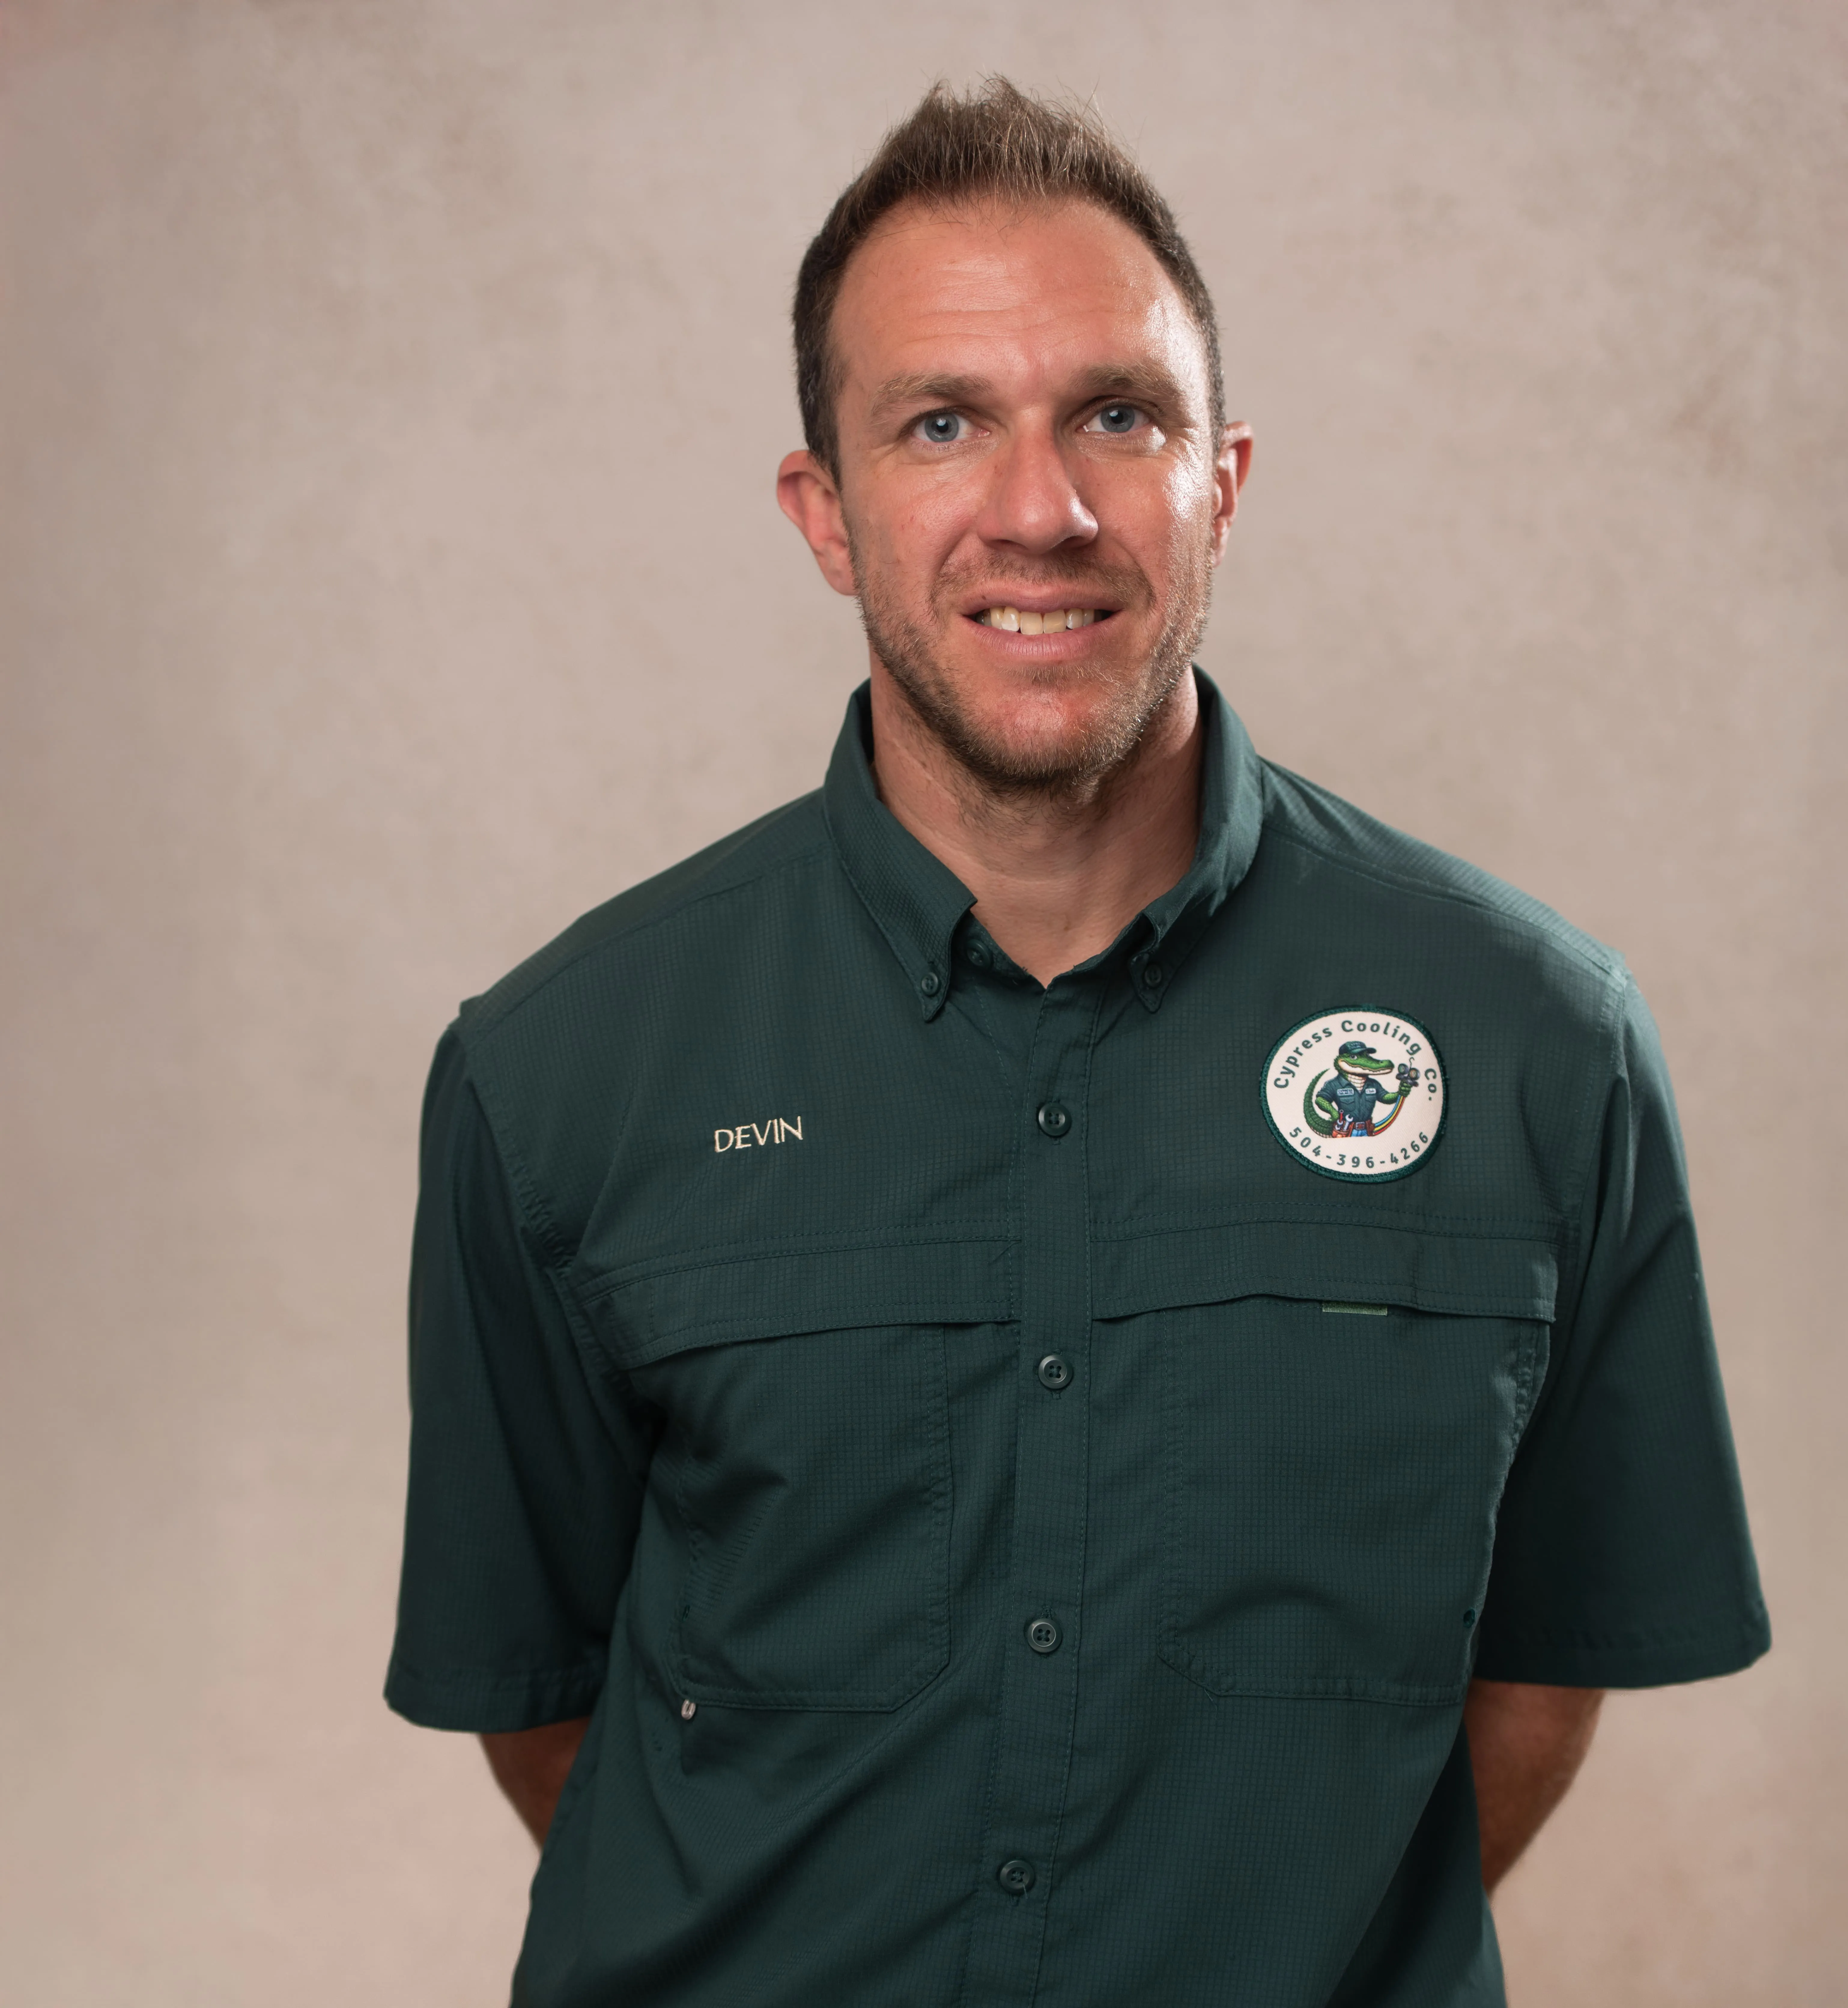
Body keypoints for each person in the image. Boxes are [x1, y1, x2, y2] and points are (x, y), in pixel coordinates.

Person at [386, 79, 1768, 2007]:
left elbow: (1541, 1674)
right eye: (940, 421)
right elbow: (547, 1711)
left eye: (1118, 415)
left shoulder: (1540, 1045)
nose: (1039, 510)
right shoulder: (558, 1073)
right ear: (825, 511)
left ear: (1224, 477)